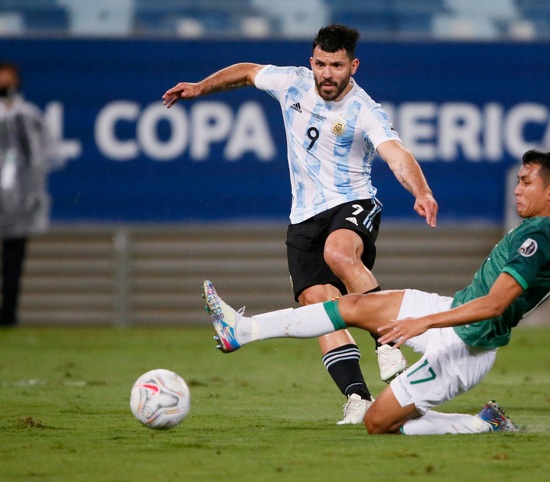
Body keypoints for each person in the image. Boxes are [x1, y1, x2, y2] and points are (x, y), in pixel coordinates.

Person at [202, 150, 550, 435]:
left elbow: (494, 305)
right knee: (355, 304)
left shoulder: (535, 242)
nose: (517, 189)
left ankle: (480, 424)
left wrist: (423, 324)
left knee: (379, 423)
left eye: (527, 182)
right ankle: (241, 330)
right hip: (452, 310)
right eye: (518, 179)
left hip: (467, 345)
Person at [162, 25, 438, 424]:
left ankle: (387, 341)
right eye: (321, 64)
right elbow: (246, 71)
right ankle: (357, 398)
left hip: (353, 203)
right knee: (321, 309)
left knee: (339, 252)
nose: (327, 74)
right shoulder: (292, 83)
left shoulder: (365, 109)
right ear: (312, 62)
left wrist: (421, 191)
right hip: (303, 218)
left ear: (353, 66)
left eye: (337, 66)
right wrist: (200, 88)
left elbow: (397, 154)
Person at [0, 62, 58, 327]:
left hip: (20, 202)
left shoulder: (29, 115)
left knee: (14, 261)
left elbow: (46, 155)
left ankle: (9, 314)